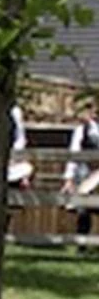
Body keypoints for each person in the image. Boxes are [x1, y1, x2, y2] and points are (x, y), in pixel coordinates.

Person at [60, 97, 98, 246]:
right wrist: (68, 179)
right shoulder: (82, 130)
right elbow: (74, 154)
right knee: (83, 209)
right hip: (86, 173)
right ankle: (81, 243)